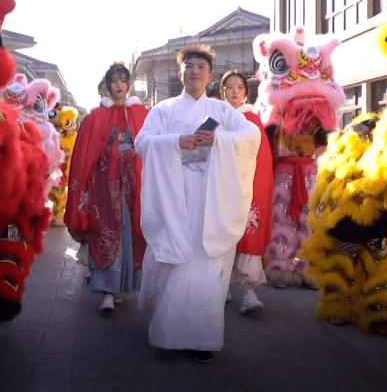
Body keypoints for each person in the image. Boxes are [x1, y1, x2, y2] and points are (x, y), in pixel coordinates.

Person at [135, 45, 260, 364]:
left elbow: (251, 136)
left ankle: (203, 339)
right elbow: (143, 142)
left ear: (210, 76)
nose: (194, 71)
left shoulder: (221, 112)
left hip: (211, 199)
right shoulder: (163, 110)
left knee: (206, 267)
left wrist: (218, 140)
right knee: (177, 263)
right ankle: (169, 333)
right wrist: (175, 142)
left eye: (201, 67)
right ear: (180, 74)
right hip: (173, 198)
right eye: (189, 66)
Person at [65, 62, 149, 314]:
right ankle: (107, 291)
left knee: (130, 233)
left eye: (123, 81)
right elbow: (84, 156)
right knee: (104, 233)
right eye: (115, 81)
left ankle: (121, 287)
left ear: (129, 85)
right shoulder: (95, 117)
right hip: (104, 185)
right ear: (108, 85)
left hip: (134, 185)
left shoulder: (141, 114)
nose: (119, 86)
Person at [218, 70, 274, 315]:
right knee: (221, 237)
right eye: (229, 87)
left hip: (249, 186)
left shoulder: (252, 118)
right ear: (222, 91)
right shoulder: (214, 117)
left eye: (239, 87)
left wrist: (257, 188)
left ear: (246, 92)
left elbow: (263, 159)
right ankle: (222, 286)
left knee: (248, 237)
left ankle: (249, 294)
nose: (234, 91)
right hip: (221, 186)